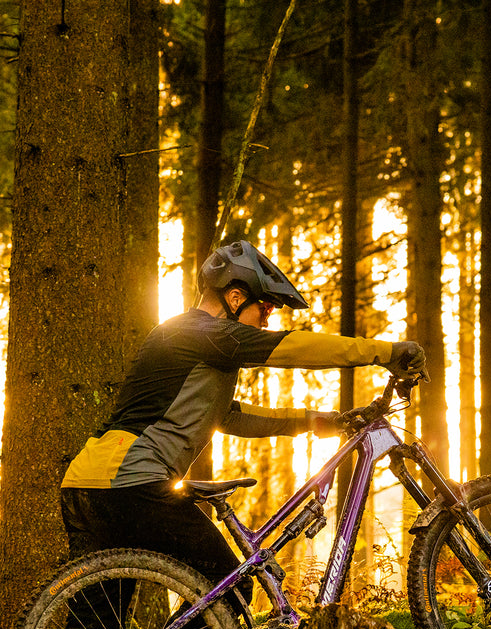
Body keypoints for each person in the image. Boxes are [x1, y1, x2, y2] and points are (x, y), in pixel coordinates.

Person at [59, 239, 425, 603]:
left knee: (96, 622)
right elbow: (290, 348)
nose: (267, 320)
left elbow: (234, 417)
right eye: (264, 307)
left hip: (88, 484)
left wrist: (323, 421)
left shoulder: (190, 342)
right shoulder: (203, 332)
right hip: (133, 482)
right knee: (230, 590)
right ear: (235, 298)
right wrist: (384, 351)